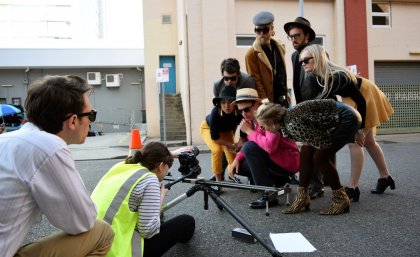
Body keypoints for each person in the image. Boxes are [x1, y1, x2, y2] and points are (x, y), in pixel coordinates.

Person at [0, 75, 114, 257]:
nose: (91, 121)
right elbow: (82, 221)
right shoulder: (48, 147)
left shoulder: (7, 139)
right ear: (73, 121)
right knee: (101, 232)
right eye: (91, 115)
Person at [256, 98, 361, 215]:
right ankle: (302, 198)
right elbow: (314, 133)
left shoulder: (292, 124)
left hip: (346, 118)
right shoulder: (287, 120)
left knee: (320, 158)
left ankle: (341, 199)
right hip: (340, 116)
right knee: (306, 152)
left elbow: (321, 139)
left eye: (263, 127)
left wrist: (355, 130)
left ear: (273, 123)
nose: (263, 130)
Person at [91, 141, 195, 257]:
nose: (167, 173)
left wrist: (173, 153)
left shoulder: (122, 166)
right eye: (168, 167)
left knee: (156, 217)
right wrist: (161, 196)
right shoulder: (150, 180)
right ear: (160, 166)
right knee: (186, 222)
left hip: (93, 243)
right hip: (117, 250)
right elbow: (148, 232)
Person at [228, 88, 300, 209]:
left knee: (249, 148)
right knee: (238, 167)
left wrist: (249, 132)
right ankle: (278, 182)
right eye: (240, 111)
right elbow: (253, 141)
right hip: (276, 160)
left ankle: (268, 194)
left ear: (257, 104)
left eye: (246, 109)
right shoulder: (251, 119)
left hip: (288, 161)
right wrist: (236, 160)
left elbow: (270, 147)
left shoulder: (269, 114)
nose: (244, 114)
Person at [284, 16, 326, 199]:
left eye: (297, 35)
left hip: (320, 106)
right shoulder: (294, 56)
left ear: (307, 36)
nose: (293, 39)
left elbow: (326, 82)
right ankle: (315, 182)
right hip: (304, 108)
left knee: (319, 148)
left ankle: (318, 184)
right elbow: (297, 84)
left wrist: (317, 107)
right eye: (291, 36)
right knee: (311, 148)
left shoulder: (318, 53)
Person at [342, 77, 395, 201]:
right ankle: (385, 177)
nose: (303, 64)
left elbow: (361, 102)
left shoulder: (334, 76)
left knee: (355, 141)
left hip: (365, 96)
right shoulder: (320, 75)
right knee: (369, 141)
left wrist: (360, 131)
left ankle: (352, 187)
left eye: (306, 60)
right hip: (359, 95)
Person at [212, 58, 256, 181]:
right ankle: (220, 173)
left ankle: (251, 176)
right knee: (226, 147)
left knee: (247, 141)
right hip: (230, 116)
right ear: (222, 76)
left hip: (246, 112)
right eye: (226, 78)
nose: (229, 81)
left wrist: (242, 138)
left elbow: (252, 103)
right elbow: (220, 106)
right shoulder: (217, 84)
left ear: (238, 75)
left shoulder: (247, 81)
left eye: (233, 78)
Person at [200, 86, 244, 188]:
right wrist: (231, 144)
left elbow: (243, 125)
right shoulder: (215, 113)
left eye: (230, 102)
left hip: (226, 131)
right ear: (219, 103)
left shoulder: (239, 112)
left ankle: (232, 175)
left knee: (232, 154)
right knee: (217, 150)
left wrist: (240, 141)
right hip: (208, 129)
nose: (227, 106)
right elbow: (215, 137)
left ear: (235, 103)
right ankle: (218, 182)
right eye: (223, 102)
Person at [245, 11, 288, 107]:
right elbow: (256, 82)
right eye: (257, 30)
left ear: (272, 29)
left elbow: (282, 73)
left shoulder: (280, 46)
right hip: (268, 104)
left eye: (264, 30)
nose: (261, 33)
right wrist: (266, 104)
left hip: (284, 100)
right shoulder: (251, 54)